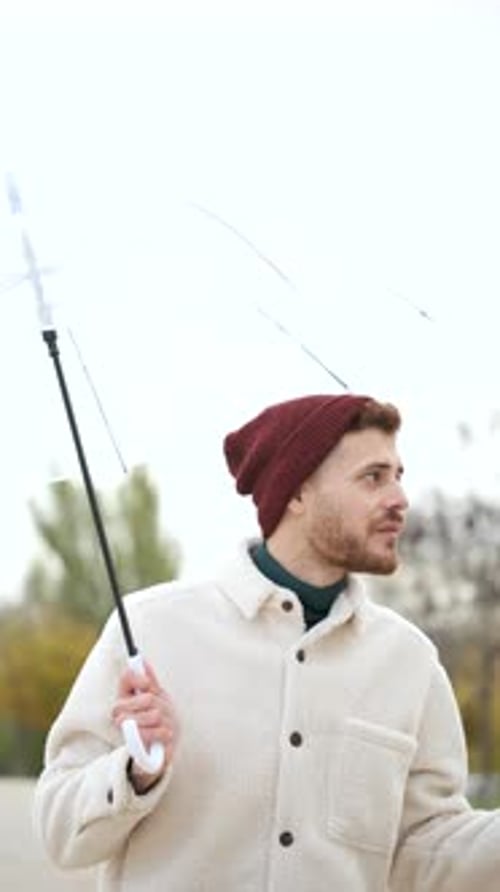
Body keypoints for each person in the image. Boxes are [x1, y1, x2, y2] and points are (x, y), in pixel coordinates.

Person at [33, 393, 500, 891]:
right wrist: (135, 772)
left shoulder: (410, 662)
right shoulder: (152, 629)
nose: (400, 499)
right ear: (296, 494)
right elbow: (60, 831)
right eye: (373, 477)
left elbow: (425, 853)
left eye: (398, 476)